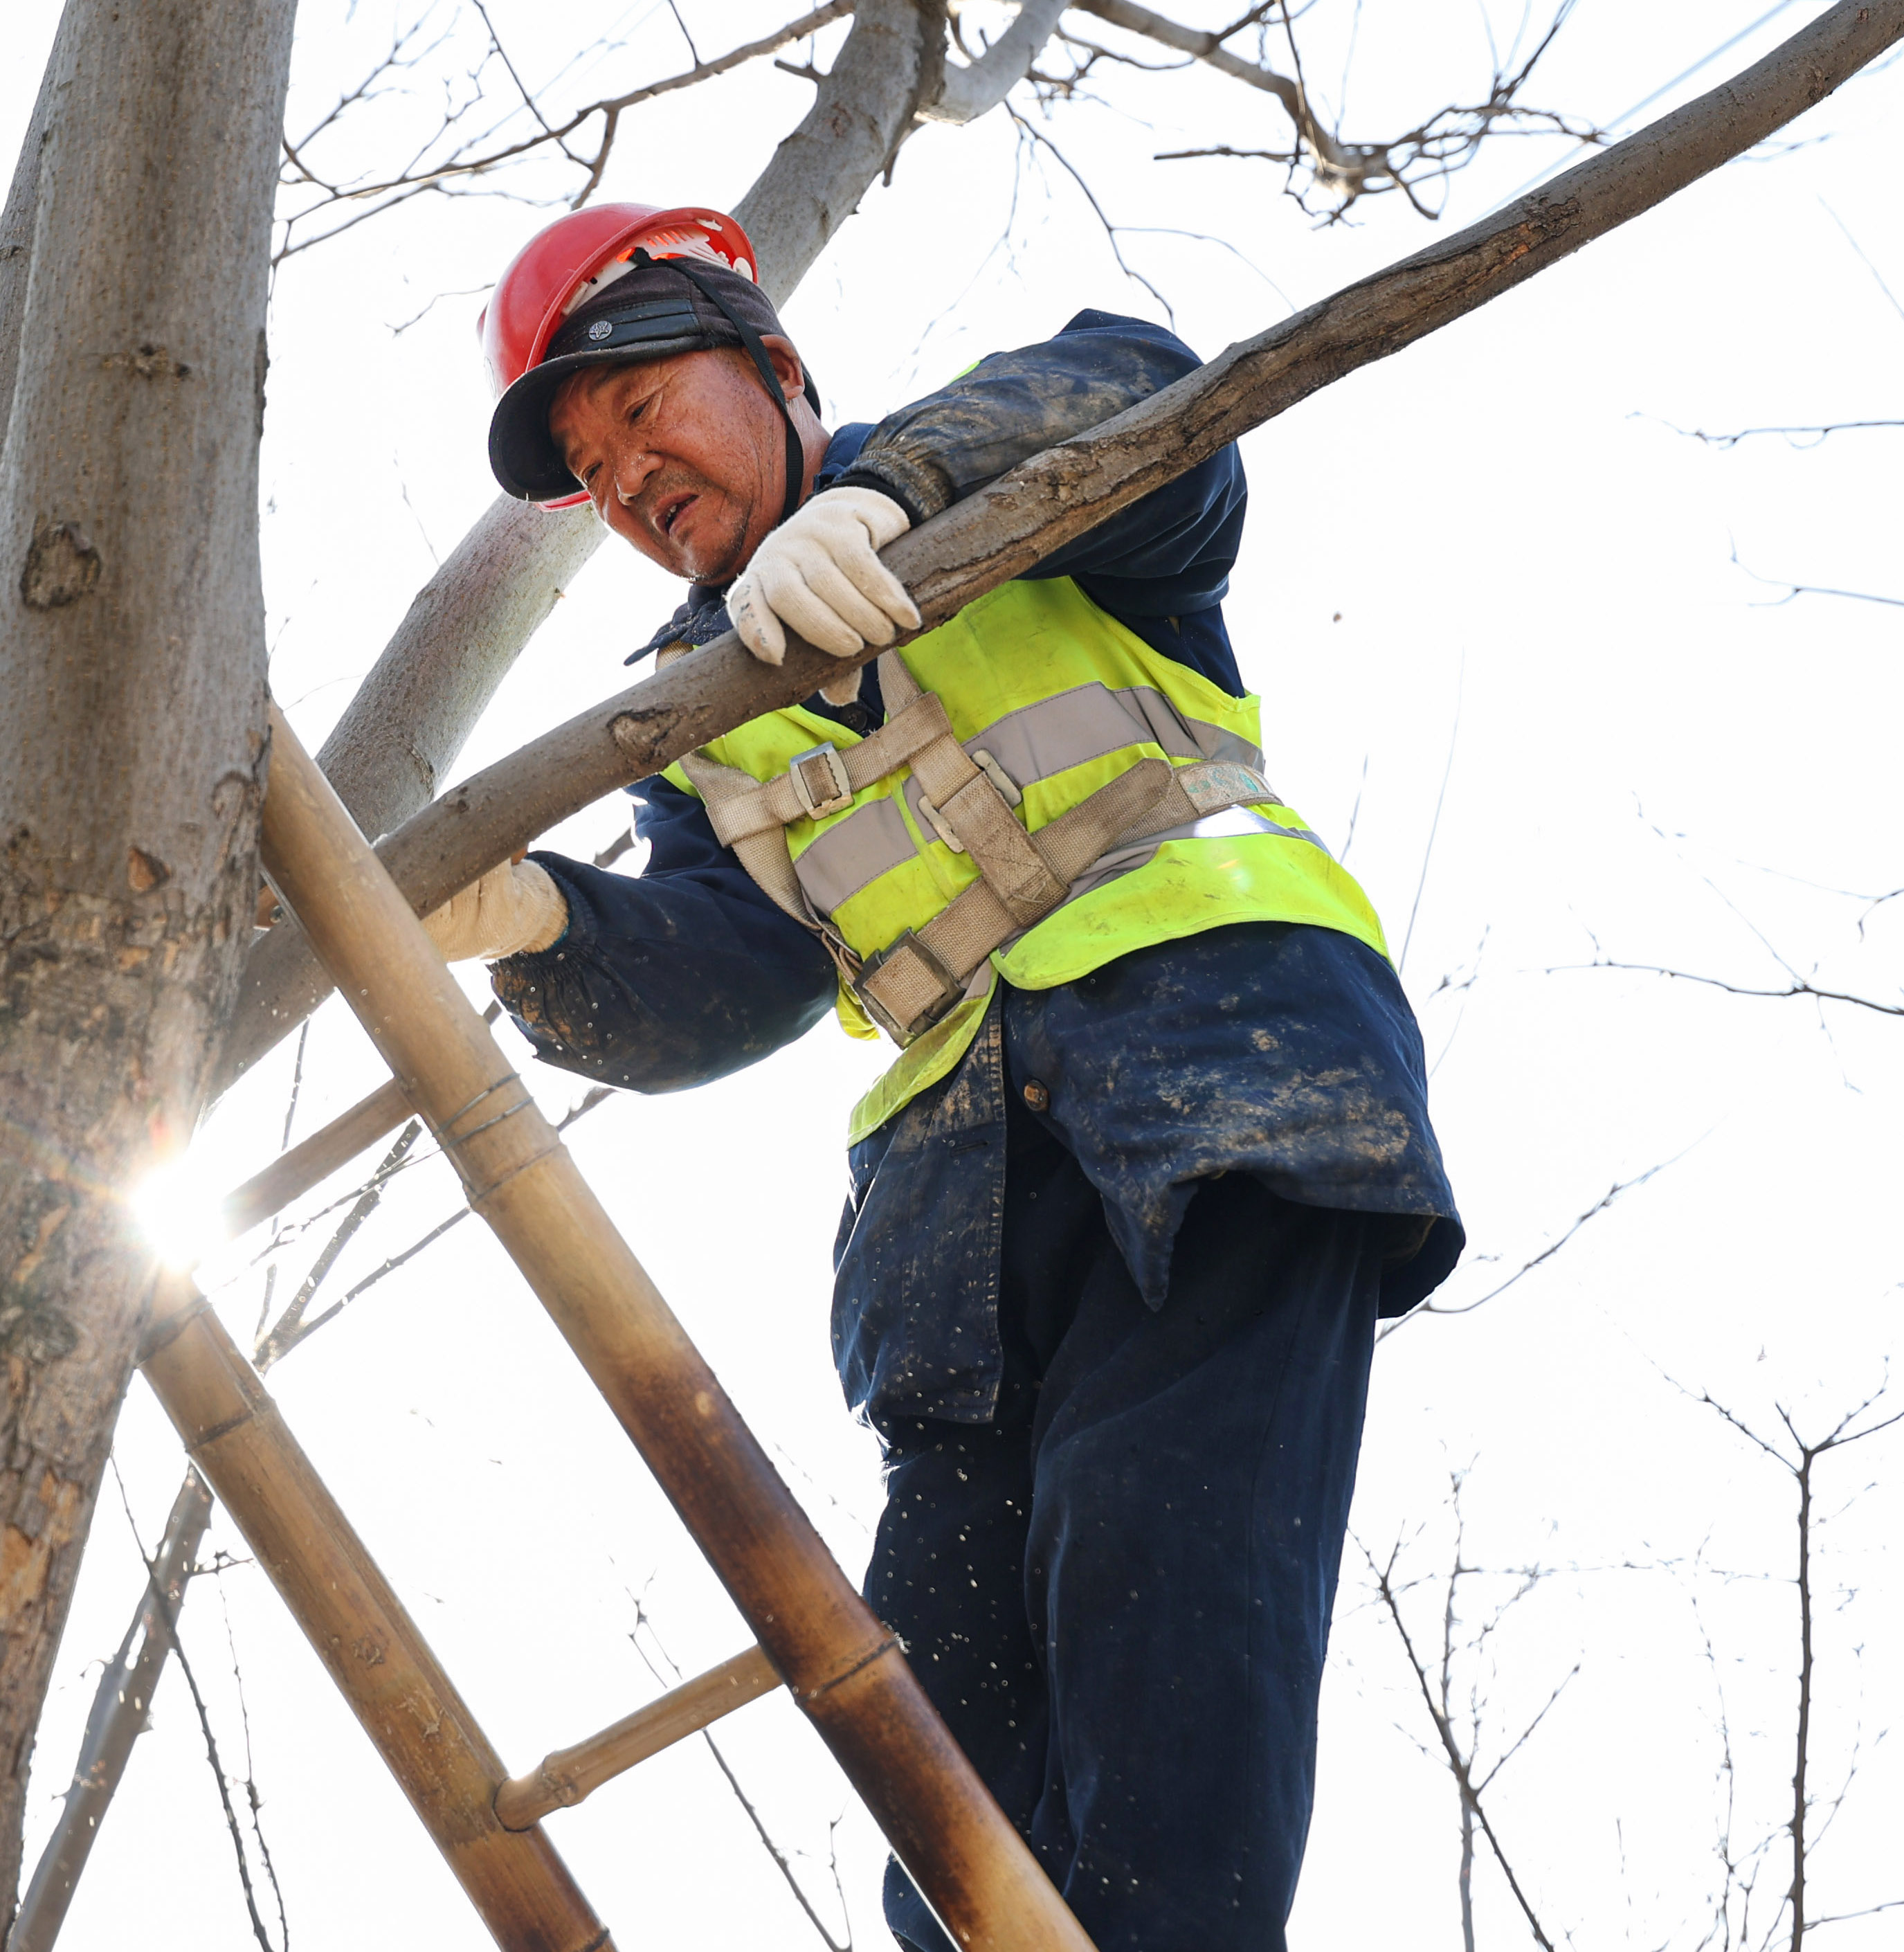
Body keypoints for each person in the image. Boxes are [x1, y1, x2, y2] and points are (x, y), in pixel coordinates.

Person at [424, 204, 1465, 1952]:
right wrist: (536, 919)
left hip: (1220, 1102)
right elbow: (715, 984)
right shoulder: (694, 723)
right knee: (941, 1773)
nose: (626, 480)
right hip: (959, 1258)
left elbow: (1142, 403)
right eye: (589, 468)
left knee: (1162, 1650)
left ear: (766, 360)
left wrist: (895, 499)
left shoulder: (1010, 488)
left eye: (639, 402)